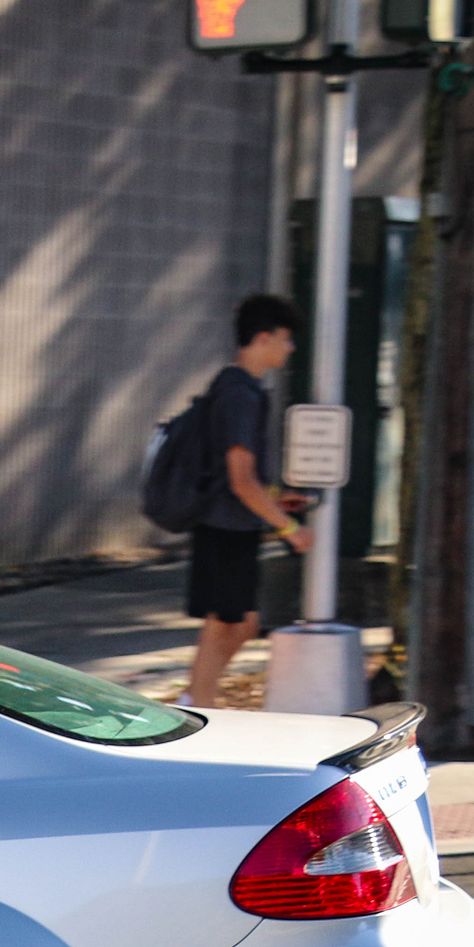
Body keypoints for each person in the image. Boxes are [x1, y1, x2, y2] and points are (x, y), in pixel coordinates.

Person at [187, 294, 315, 706]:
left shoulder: (240, 388)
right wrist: (289, 529)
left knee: (238, 623)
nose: (290, 347)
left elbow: (239, 479)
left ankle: (196, 702)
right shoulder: (240, 393)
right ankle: (197, 708)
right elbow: (241, 481)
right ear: (262, 339)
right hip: (225, 526)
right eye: (285, 338)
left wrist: (277, 498)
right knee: (227, 623)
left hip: (229, 524)